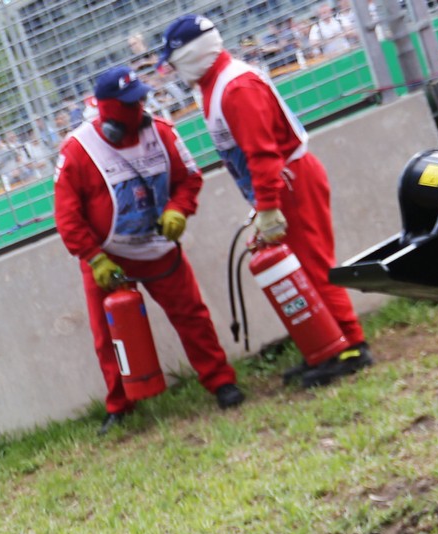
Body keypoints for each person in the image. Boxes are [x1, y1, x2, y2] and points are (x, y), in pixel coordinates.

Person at [159, 12, 372, 387]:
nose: (174, 73)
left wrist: (269, 206)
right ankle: (325, 347)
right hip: (279, 184)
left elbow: (263, 153)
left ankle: (352, 346)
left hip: (289, 181)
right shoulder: (215, 85)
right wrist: (264, 203)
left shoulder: (235, 87)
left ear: (189, 56)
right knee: (301, 269)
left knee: (313, 264)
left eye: (175, 63)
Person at [54, 64, 244, 432]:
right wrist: (94, 258)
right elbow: (67, 216)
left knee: (192, 315)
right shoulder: (78, 151)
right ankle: (119, 405)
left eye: (140, 100)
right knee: (107, 335)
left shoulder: (162, 134)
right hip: (107, 257)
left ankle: (221, 382)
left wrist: (177, 210)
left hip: (159, 248)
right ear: (105, 108)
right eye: (128, 104)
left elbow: (189, 178)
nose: (137, 108)